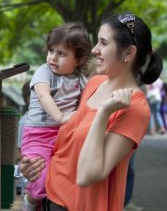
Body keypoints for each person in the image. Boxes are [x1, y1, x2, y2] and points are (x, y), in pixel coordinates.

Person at [20, 12, 163, 211]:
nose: (94, 50)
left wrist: (104, 114)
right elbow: (65, 146)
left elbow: (87, 175)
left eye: (103, 43)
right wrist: (33, 167)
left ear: (129, 53)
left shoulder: (134, 108)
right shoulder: (94, 83)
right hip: (48, 199)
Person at [20, 22, 91, 211]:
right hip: (39, 135)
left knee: (59, 177)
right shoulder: (44, 71)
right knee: (40, 177)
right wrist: (60, 117)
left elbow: (87, 104)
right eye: (51, 51)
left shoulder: (81, 81)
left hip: (64, 136)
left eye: (62, 54)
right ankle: (29, 201)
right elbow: (44, 95)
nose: (53, 58)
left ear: (79, 59)